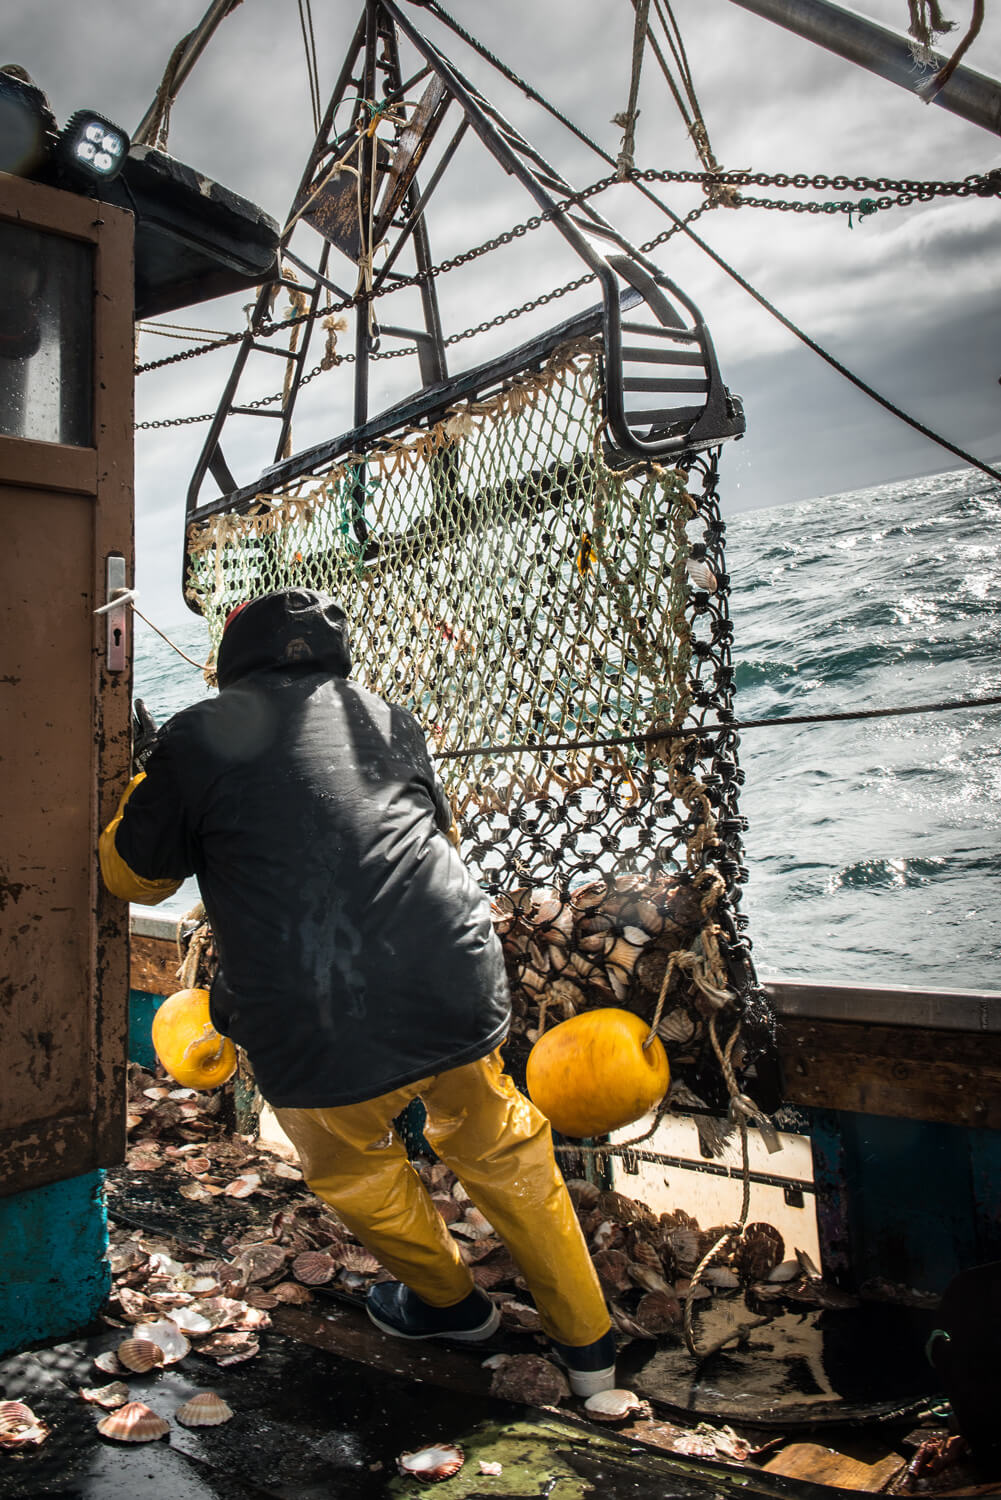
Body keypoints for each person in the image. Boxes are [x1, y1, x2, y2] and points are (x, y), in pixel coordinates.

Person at [100, 587, 616, 1395]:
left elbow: (131, 875)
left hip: (313, 1016)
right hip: (456, 980)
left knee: (356, 1171)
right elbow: (436, 839)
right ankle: (590, 1353)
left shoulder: (197, 732)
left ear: (232, 655)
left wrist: (144, 787)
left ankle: (451, 1305)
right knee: (503, 1147)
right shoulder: (386, 715)